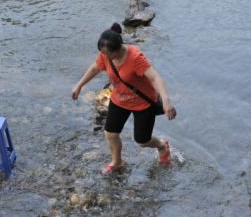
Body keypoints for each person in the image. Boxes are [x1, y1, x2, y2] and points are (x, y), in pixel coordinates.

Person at [71, 23, 177, 175]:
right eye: (103, 54)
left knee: (142, 141)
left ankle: (162, 146)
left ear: (118, 48)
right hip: (119, 100)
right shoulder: (105, 54)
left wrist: (166, 101)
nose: (105, 57)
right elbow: (95, 67)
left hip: (142, 104)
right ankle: (117, 162)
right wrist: (79, 85)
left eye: (109, 54)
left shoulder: (135, 58)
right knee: (111, 134)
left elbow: (155, 78)